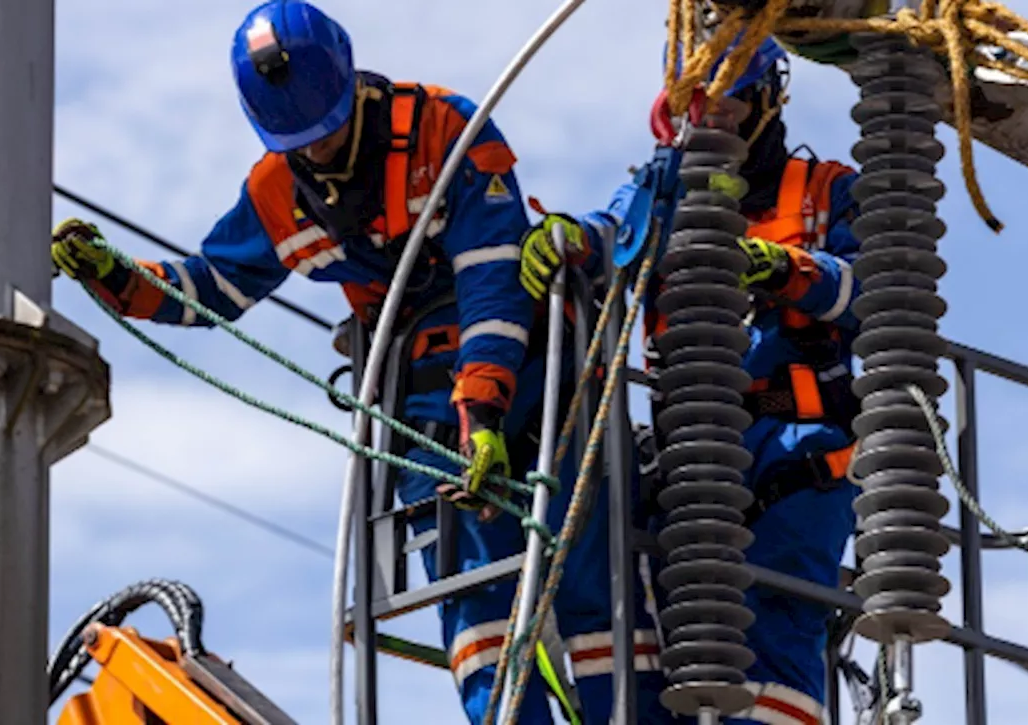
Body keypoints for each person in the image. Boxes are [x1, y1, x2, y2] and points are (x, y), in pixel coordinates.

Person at [50, 2, 672, 723]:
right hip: (425, 404)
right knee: (474, 602)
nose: (318, 152)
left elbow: (492, 274)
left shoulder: (447, 128)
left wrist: (485, 401)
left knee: (597, 586)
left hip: (541, 370)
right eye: (300, 142)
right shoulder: (277, 192)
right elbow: (211, 287)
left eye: (327, 131)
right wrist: (118, 275)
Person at [522, 36, 862, 724]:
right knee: (629, 603)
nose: (715, 125)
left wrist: (789, 269)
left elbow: (879, 297)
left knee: (775, 629)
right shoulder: (662, 190)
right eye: (698, 108)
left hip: (798, 452)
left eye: (732, 107)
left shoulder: (826, 191)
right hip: (692, 456)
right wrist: (569, 240)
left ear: (770, 100)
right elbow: (611, 232)